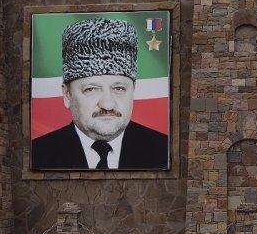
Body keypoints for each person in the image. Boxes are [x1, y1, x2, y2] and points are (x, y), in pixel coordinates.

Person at [31, 18, 168, 170]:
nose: (107, 104)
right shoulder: (37, 155)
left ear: (133, 90)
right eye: (91, 89)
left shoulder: (165, 151)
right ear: (67, 94)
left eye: (119, 88)